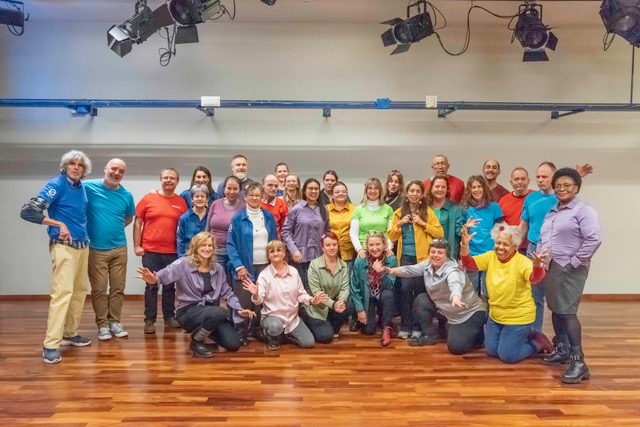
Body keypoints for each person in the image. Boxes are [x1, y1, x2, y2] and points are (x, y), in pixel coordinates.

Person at [20, 150, 93, 364]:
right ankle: (50, 344)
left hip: (82, 246)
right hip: (64, 248)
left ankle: (70, 333)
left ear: (84, 169)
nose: (76, 167)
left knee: (79, 292)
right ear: (65, 166)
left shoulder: (80, 187)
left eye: (80, 165)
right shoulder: (57, 184)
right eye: (72, 163)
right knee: (62, 294)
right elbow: (28, 211)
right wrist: (58, 223)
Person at [137, 232, 255, 358]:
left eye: (210, 245)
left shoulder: (217, 268)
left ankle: (205, 330)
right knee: (221, 312)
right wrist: (153, 279)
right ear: (195, 247)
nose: (207, 248)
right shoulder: (183, 263)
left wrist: (239, 309)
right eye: (203, 245)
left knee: (233, 344)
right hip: (188, 312)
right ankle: (196, 341)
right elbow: (164, 274)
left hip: (211, 312)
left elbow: (227, 292)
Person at [538, 168, 602, 384]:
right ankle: (563, 350)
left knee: (567, 312)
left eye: (567, 185)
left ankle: (579, 362)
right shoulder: (552, 211)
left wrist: (573, 262)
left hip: (571, 269)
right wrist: (541, 259)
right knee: (556, 309)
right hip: (552, 266)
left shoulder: (583, 210)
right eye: (558, 186)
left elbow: (594, 238)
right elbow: (543, 238)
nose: (561, 189)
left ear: (577, 188)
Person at [460, 222, 553, 364]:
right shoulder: (490, 257)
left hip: (518, 317)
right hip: (496, 316)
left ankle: (537, 343)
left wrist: (537, 266)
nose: (500, 247)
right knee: (492, 351)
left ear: (514, 246)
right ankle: (522, 336)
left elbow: (535, 279)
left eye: (505, 244)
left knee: (508, 356)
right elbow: (469, 264)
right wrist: (464, 245)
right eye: (498, 243)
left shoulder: (522, 262)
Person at [519, 162, 593, 332]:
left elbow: (570, 189)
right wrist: (513, 246)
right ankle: (535, 333)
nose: (540, 180)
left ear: (553, 178)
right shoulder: (530, 198)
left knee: (559, 299)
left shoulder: (560, 198)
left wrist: (577, 175)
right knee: (534, 295)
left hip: (556, 253)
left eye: (544, 176)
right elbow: (523, 225)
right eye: (538, 176)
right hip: (534, 250)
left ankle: (563, 339)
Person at [380, 239, 487, 353]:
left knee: (456, 348)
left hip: (468, 314)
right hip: (447, 310)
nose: (435, 255)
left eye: (440, 253)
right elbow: (409, 270)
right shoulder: (427, 264)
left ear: (447, 256)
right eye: (433, 252)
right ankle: (430, 336)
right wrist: (390, 270)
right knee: (421, 300)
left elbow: (455, 283)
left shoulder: (453, 270)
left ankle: (477, 334)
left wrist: (455, 296)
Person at [242, 240, 328, 350]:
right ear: (268, 255)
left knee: (309, 343)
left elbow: (301, 294)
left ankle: (284, 336)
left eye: (279, 250)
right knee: (275, 326)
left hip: (292, 319)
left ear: (284, 253)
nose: (275, 253)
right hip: (272, 318)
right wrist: (255, 294)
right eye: (272, 251)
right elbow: (259, 300)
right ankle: (270, 334)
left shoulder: (294, 272)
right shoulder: (264, 275)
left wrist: (312, 300)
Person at [84, 158, 135, 341]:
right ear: (106, 168)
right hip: (96, 249)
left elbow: (129, 217)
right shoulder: (87, 187)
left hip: (120, 248)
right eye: (114, 168)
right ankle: (102, 325)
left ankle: (114, 322)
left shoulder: (126, 195)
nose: (117, 173)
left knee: (118, 288)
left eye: (121, 171)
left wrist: (113, 228)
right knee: (99, 289)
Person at [134, 168, 188, 334]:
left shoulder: (181, 202)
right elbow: (138, 222)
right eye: (166, 177)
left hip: (173, 251)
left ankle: (169, 317)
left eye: (172, 178)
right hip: (151, 250)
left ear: (177, 181)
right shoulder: (148, 198)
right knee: (151, 286)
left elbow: (185, 226)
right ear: (161, 180)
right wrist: (137, 245)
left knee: (170, 286)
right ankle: (149, 320)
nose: (169, 180)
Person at [388, 180, 443, 339]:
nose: (414, 194)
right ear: (406, 194)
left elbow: (440, 233)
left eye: (418, 191)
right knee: (405, 290)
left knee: (419, 292)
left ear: (422, 194)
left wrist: (422, 223)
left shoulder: (427, 212)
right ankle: (405, 326)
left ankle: (417, 327)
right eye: (411, 191)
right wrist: (400, 223)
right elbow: (391, 236)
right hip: (405, 257)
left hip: (423, 258)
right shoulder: (398, 212)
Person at [227, 182, 278, 344]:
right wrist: (239, 266)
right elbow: (231, 244)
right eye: (251, 195)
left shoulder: (268, 216)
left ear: (262, 197)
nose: (255, 198)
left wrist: (275, 263)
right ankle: (241, 331)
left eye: (258, 195)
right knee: (243, 300)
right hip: (244, 266)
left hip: (265, 266)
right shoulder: (237, 218)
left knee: (260, 300)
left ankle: (256, 329)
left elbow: (274, 242)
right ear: (245, 197)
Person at [348, 230, 398, 346]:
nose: (374, 248)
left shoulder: (391, 259)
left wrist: (380, 272)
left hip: (383, 295)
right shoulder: (360, 261)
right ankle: (362, 318)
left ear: (384, 245)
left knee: (388, 294)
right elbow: (354, 287)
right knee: (368, 330)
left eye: (378, 244)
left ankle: (386, 327)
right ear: (367, 246)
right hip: (368, 296)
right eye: (371, 245)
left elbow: (390, 285)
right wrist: (360, 309)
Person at [300, 232, 350, 343]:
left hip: (333, 306)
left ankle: (333, 327)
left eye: (334, 244)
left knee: (350, 304)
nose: (332, 247)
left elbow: (345, 288)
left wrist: (341, 301)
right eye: (328, 245)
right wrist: (334, 304)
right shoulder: (314, 265)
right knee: (325, 337)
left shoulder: (343, 265)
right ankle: (308, 322)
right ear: (322, 247)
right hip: (316, 308)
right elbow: (316, 292)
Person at [461, 175, 504, 299]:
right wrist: (466, 227)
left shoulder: (494, 207)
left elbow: (500, 229)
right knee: (471, 292)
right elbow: (460, 232)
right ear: (469, 190)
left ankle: (488, 312)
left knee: (488, 291)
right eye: (473, 187)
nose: (476, 190)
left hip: (490, 253)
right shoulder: (465, 208)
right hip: (471, 254)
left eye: (479, 186)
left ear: (484, 188)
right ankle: (474, 312)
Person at [282, 178, 329, 288]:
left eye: (316, 189)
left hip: (319, 256)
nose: (313, 191)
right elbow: (286, 232)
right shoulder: (296, 209)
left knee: (317, 289)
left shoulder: (324, 210)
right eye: (310, 188)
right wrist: (294, 250)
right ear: (304, 190)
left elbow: (327, 232)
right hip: (300, 257)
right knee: (300, 289)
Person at [206, 176, 245, 283]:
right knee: (216, 283)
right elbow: (207, 229)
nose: (232, 192)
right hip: (215, 252)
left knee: (232, 284)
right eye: (229, 188)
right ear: (224, 189)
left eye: (235, 189)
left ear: (240, 190)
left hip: (234, 254)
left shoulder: (243, 207)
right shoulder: (215, 204)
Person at [350, 177, 394, 259]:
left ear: (380, 191)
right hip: (363, 251)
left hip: (384, 250)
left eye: (376, 188)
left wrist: (389, 248)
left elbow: (391, 233)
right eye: (370, 188)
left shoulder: (388, 209)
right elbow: (353, 233)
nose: (373, 191)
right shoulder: (358, 210)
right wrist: (359, 249)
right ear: (366, 191)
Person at [428, 175, 464, 260]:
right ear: (431, 189)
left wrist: (465, 229)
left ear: (447, 190)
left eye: (443, 187)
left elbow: (459, 232)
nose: (440, 189)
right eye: (437, 186)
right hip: (427, 254)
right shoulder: (424, 208)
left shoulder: (455, 209)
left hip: (447, 255)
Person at [498, 167, 533, 253]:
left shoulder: (535, 197)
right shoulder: (503, 201)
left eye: (523, 179)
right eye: (516, 179)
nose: (520, 182)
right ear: (511, 182)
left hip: (532, 248)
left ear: (528, 181)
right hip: (511, 248)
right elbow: (500, 225)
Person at [326, 182, 356, 267]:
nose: (340, 194)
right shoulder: (325, 209)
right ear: (332, 194)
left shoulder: (355, 209)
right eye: (337, 192)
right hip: (330, 250)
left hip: (349, 251)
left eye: (343, 192)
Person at [177, 185, 209, 257]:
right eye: (196, 196)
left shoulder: (211, 216)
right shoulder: (184, 218)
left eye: (202, 196)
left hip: (207, 255)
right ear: (192, 199)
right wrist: (181, 258)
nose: (199, 199)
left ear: (207, 199)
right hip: (189, 255)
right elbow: (180, 241)